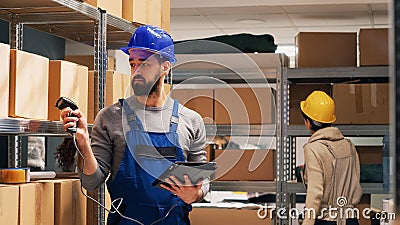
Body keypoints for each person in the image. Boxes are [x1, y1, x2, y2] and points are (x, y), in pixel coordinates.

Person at [60, 25, 208, 225]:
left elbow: (202, 179)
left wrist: (197, 194)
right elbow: (91, 183)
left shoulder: (190, 120)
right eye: (132, 64)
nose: (136, 71)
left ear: (165, 67)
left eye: (144, 64)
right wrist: (84, 145)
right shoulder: (110, 117)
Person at [300, 91, 362, 225]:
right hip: (351, 219)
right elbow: (353, 180)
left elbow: (314, 193)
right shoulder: (349, 145)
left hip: (327, 220)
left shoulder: (313, 149)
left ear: (308, 122)